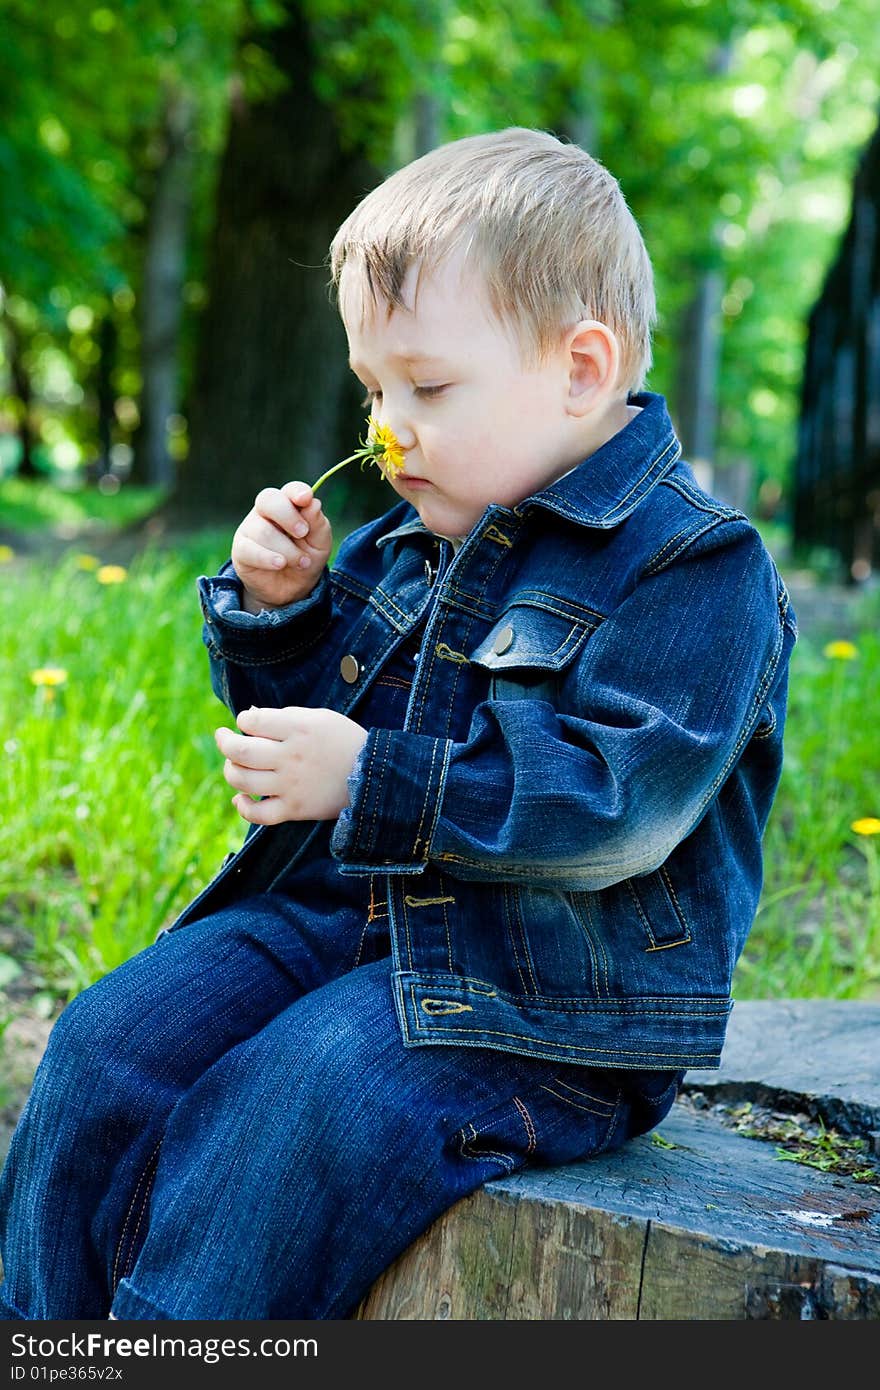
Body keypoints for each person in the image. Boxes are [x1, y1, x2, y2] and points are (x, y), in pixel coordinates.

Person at [0, 127, 797, 1321]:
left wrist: (371, 775)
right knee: (110, 1043)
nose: (387, 430)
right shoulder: (424, 529)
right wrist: (284, 620)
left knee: (299, 1097)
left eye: (425, 388)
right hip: (348, 919)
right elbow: (318, 735)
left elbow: (612, 810)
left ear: (581, 369)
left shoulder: (695, 569)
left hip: (547, 1003)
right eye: (374, 389)